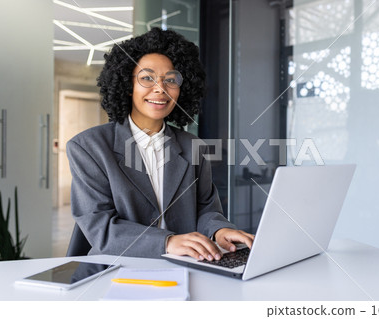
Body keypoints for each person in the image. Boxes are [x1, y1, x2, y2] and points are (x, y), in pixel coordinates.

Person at [67, 27, 254, 261]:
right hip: (118, 268)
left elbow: (206, 208)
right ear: (127, 85)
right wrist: (166, 242)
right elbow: (99, 227)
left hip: (185, 266)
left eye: (171, 80)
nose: (160, 89)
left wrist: (219, 230)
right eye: (147, 78)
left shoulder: (193, 146)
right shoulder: (88, 147)